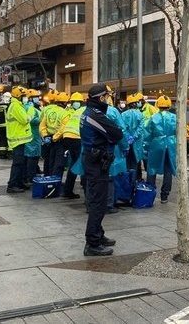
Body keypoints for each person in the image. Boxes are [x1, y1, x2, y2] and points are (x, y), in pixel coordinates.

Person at [80, 83, 123, 256]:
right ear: (100, 98)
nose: (108, 99)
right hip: (97, 163)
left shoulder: (88, 112)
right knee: (98, 203)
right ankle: (92, 243)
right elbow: (117, 134)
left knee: (96, 199)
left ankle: (99, 234)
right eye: (106, 96)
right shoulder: (95, 116)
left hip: (93, 160)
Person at [143, 95, 177, 203]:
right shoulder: (175, 117)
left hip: (156, 144)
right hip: (170, 144)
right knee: (168, 169)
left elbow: (147, 134)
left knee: (152, 168)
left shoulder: (154, 117)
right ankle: (164, 196)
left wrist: (145, 148)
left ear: (158, 105)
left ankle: (150, 193)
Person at [53, 92, 85, 199]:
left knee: (74, 163)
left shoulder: (72, 112)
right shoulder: (85, 111)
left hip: (67, 137)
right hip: (76, 138)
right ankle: (86, 192)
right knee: (82, 163)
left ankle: (68, 190)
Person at [5, 86, 32, 193]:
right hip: (17, 139)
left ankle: (19, 183)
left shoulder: (17, 105)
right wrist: (30, 111)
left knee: (20, 163)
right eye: (24, 96)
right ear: (18, 96)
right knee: (17, 163)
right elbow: (25, 120)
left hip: (19, 139)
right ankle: (12, 185)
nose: (26, 98)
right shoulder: (16, 106)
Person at [121, 93, 146, 179]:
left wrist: (128, 137)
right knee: (135, 163)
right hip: (137, 143)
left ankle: (127, 183)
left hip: (126, 142)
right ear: (135, 104)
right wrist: (134, 137)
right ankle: (134, 181)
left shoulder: (123, 114)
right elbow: (141, 128)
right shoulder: (140, 114)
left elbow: (122, 128)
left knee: (127, 163)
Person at [38, 90, 60, 175]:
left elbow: (41, 121)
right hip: (58, 137)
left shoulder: (45, 109)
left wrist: (44, 135)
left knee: (47, 158)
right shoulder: (61, 109)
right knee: (55, 159)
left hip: (46, 136)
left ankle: (47, 175)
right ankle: (53, 177)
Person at [24, 89, 42, 186]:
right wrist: (42, 119)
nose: (38, 99)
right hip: (32, 135)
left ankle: (31, 175)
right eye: (36, 97)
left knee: (33, 156)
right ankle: (30, 177)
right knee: (32, 157)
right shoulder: (29, 107)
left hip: (35, 135)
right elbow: (31, 120)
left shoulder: (34, 107)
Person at [0, 92, 11, 159]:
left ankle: (1, 153)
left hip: (1, 126)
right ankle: (9, 153)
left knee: (2, 139)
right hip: (9, 126)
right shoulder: (10, 106)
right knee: (9, 140)